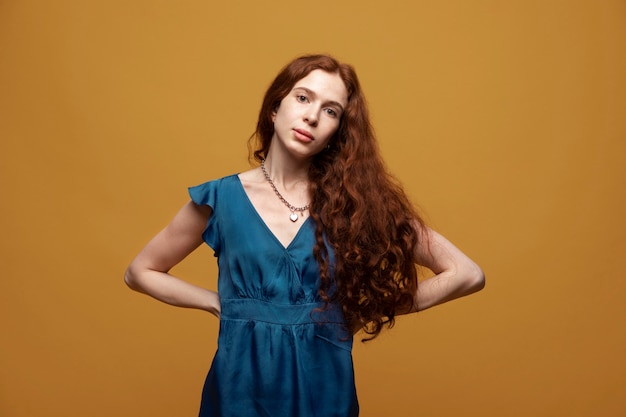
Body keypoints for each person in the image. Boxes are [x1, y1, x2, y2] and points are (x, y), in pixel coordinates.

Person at [124, 54, 485, 417]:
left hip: (324, 391)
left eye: (331, 111)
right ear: (274, 108)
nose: (312, 116)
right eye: (303, 98)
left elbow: (466, 273)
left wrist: (369, 311)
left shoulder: (359, 203)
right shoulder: (220, 199)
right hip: (238, 392)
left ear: (337, 133)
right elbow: (140, 271)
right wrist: (217, 303)